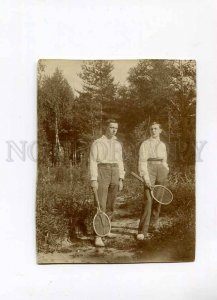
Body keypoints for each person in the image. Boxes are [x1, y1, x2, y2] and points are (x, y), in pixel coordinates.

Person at [89, 119, 125, 247]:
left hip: (115, 172)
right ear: (106, 128)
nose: (114, 130)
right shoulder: (98, 143)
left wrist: (121, 178)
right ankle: (98, 235)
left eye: (116, 128)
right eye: (111, 127)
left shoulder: (118, 144)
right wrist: (94, 179)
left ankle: (106, 229)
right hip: (102, 171)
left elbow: (120, 161)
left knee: (111, 204)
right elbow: (93, 161)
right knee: (100, 204)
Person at [137, 122, 169, 240]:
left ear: (160, 130)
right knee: (148, 200)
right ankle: (142, 230)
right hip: (149, 169)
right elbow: (142, 161)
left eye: (156, 129)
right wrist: (145, 177)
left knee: (158, 200)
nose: (153, 131)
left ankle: (153, 226)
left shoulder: (163, 145)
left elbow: (164, 160)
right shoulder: (145, 144)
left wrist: (166, 169)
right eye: (151, 129)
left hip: (161, 170)